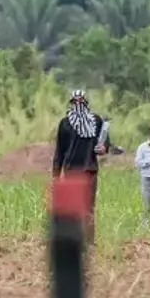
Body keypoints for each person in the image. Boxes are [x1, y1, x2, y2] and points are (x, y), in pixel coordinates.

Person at [52, 89, 110, 231]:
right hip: (71, 169)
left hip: (90, 169)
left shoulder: (95, 121)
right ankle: (75, 240)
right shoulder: (65, 123)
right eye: (75, 102)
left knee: (89, 207)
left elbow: (105, 142)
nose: (78, 104)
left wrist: (103, 148)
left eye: (81, 101)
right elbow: (59, 150)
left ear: (85, 102)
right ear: (71, 103)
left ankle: (89, 241)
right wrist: (56, 175)